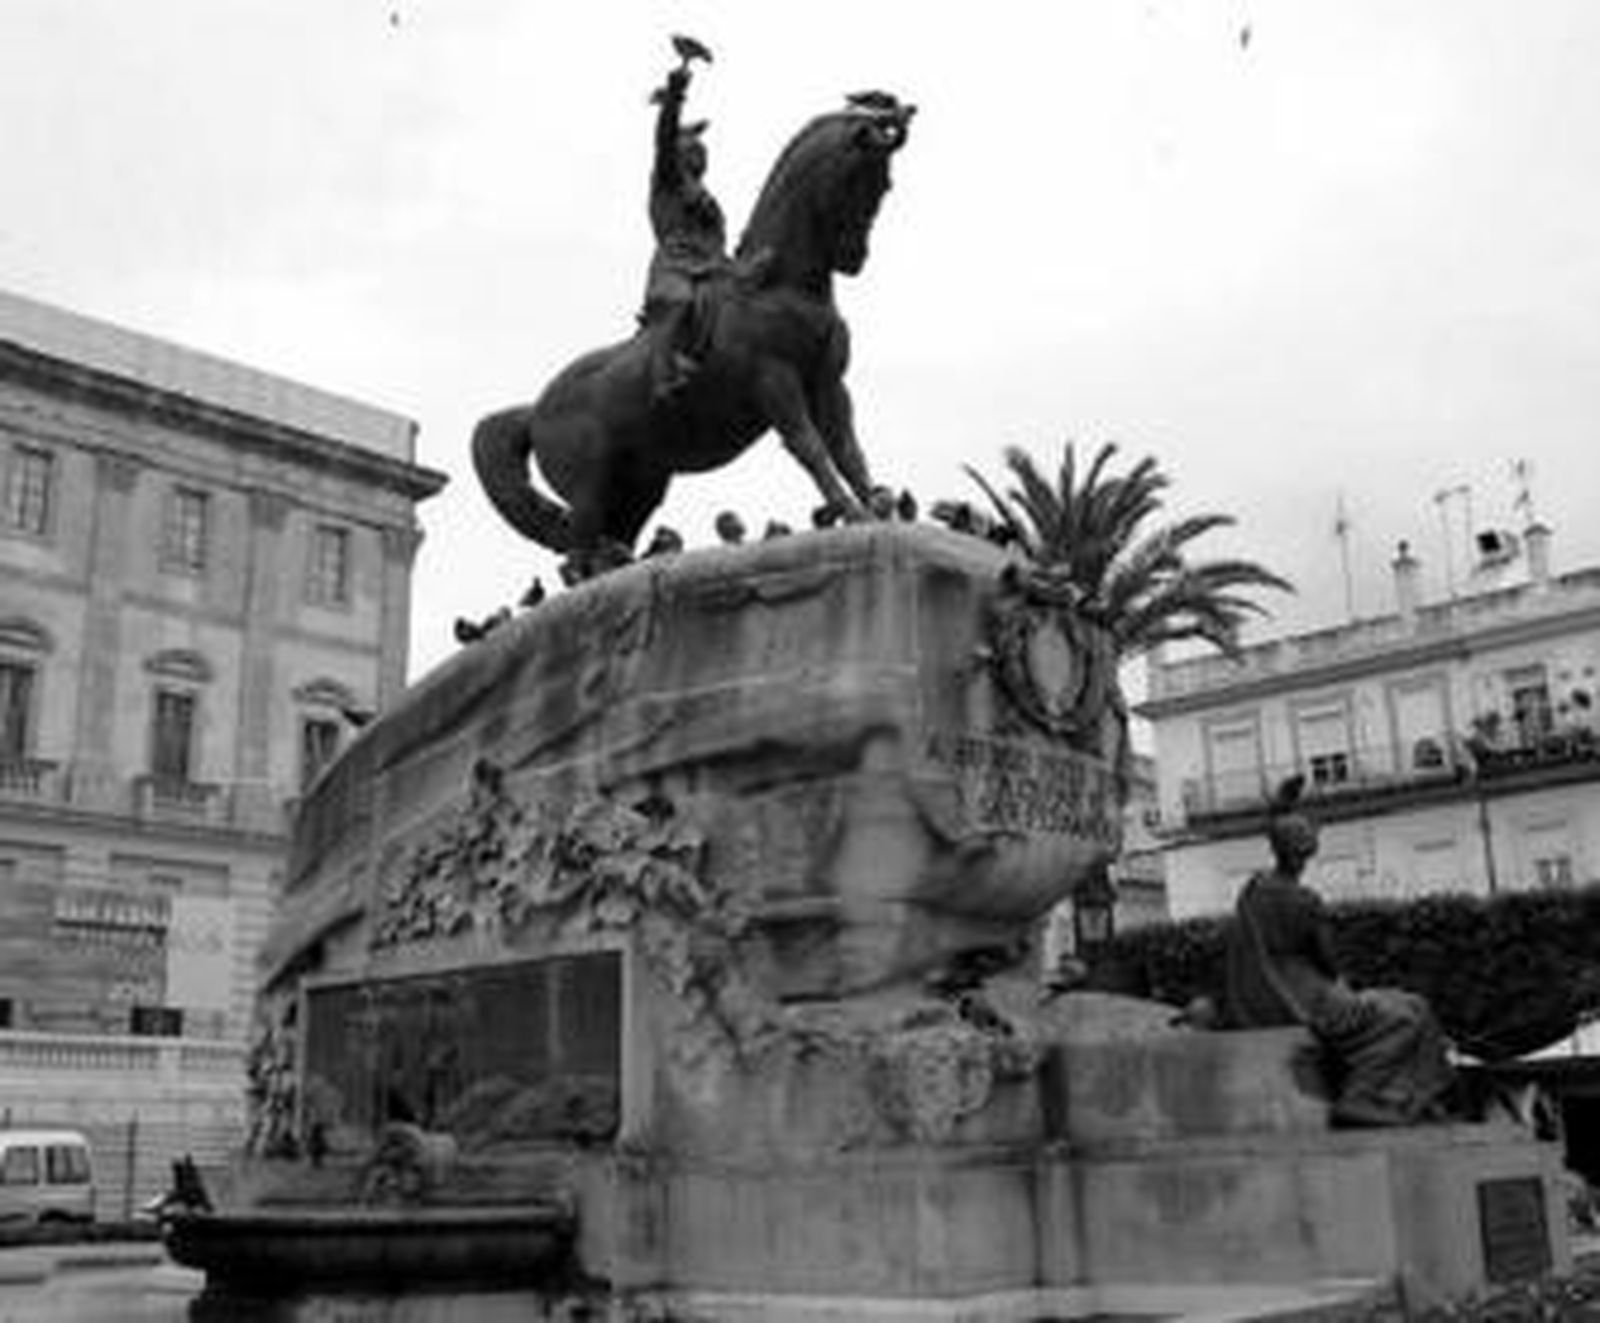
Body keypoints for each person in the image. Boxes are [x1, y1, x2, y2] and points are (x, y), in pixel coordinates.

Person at [1224, 780, 1457, 1127]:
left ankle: (1399, 1098)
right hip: (1310, 998)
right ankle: (1361, 1096)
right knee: (1410, 1015)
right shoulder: (1304, 901)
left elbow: (1274, 833)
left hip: (1272, 993)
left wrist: (1279, 809)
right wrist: (1342, 982)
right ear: (1307, 852)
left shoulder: (1254, 889)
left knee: (1401, 1005)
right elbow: (1328, 961)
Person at [641, 45, 728, 403]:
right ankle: (663, 375)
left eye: (702, 150)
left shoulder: (705, 194)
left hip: (713, 267)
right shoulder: (667, 180)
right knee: (678, 301)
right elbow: (664, 136)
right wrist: (677, 90)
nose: (700, 153)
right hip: (677, 266)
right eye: (693, 148)